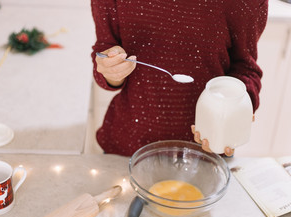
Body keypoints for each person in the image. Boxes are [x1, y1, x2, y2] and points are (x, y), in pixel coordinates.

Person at [91, 0, 268, 157]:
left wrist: (237, 110)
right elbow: (104, 51)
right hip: (127, 148)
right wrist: (111, 70)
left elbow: (246, 68)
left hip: (206, 151)